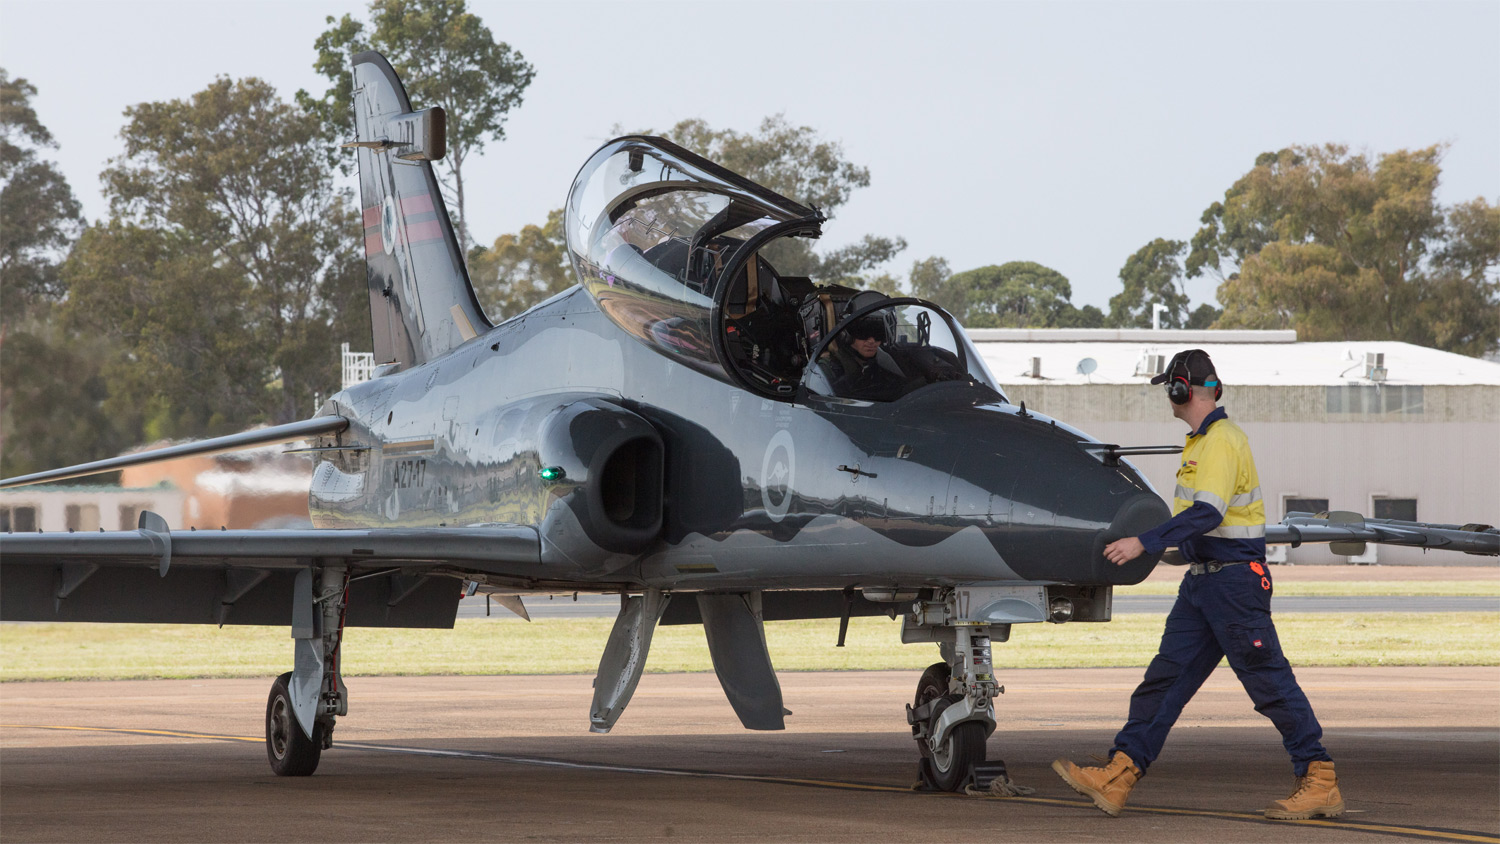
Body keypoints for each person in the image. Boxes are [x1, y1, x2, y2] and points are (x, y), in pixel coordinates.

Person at [1051, 349, 1343, 820]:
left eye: (1170, 386)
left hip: (1233, 585)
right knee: (1164, 681)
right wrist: (1176, 550)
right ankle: (1120, 773)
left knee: (1268, 682)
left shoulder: (1222, 441)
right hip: (1203, 584)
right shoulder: (1199, 443)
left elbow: (1206, 513)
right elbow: (1204, 524)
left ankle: (1320, 779)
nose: (1169, 395)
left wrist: (1143, 543)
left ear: (1181, 388)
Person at [825, 317, 909, 401]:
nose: (872, 341)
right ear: (847, 337)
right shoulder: (832, 366)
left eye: (878, 336)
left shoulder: (884, 360)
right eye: (863, 335)